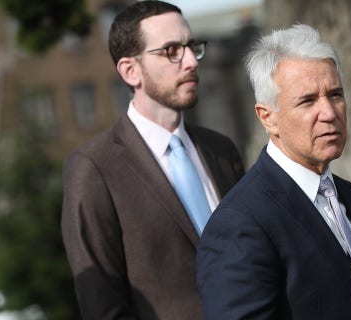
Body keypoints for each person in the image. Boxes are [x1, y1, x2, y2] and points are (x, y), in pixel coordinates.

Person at [61, 1, 244, 319]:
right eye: (171, 50)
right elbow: (103, 307)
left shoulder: (221, 151)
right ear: (130, 71)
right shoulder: (93, 169)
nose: (190, 61)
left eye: (192, 47)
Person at [196, 23, 351, 320]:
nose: (329, 113)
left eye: (335, 94)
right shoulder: (240, 224)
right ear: (268, 118)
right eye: (307, 100)